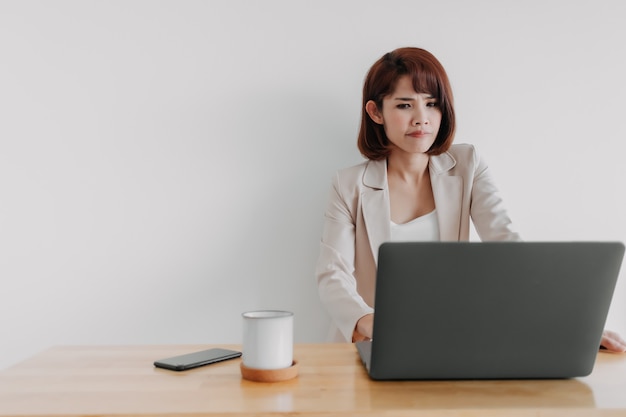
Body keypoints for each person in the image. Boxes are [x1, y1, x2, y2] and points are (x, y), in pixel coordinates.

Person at [315, 47, 626, 352]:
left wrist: (574, 324)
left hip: (454, 342)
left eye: (432, 103)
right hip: (374, 345)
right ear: (375, 112)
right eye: (404, 105)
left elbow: (507, 248)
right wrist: (371, 322)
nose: (422, 119)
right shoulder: (349, 184)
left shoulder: (468, 163)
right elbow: (333, 273)